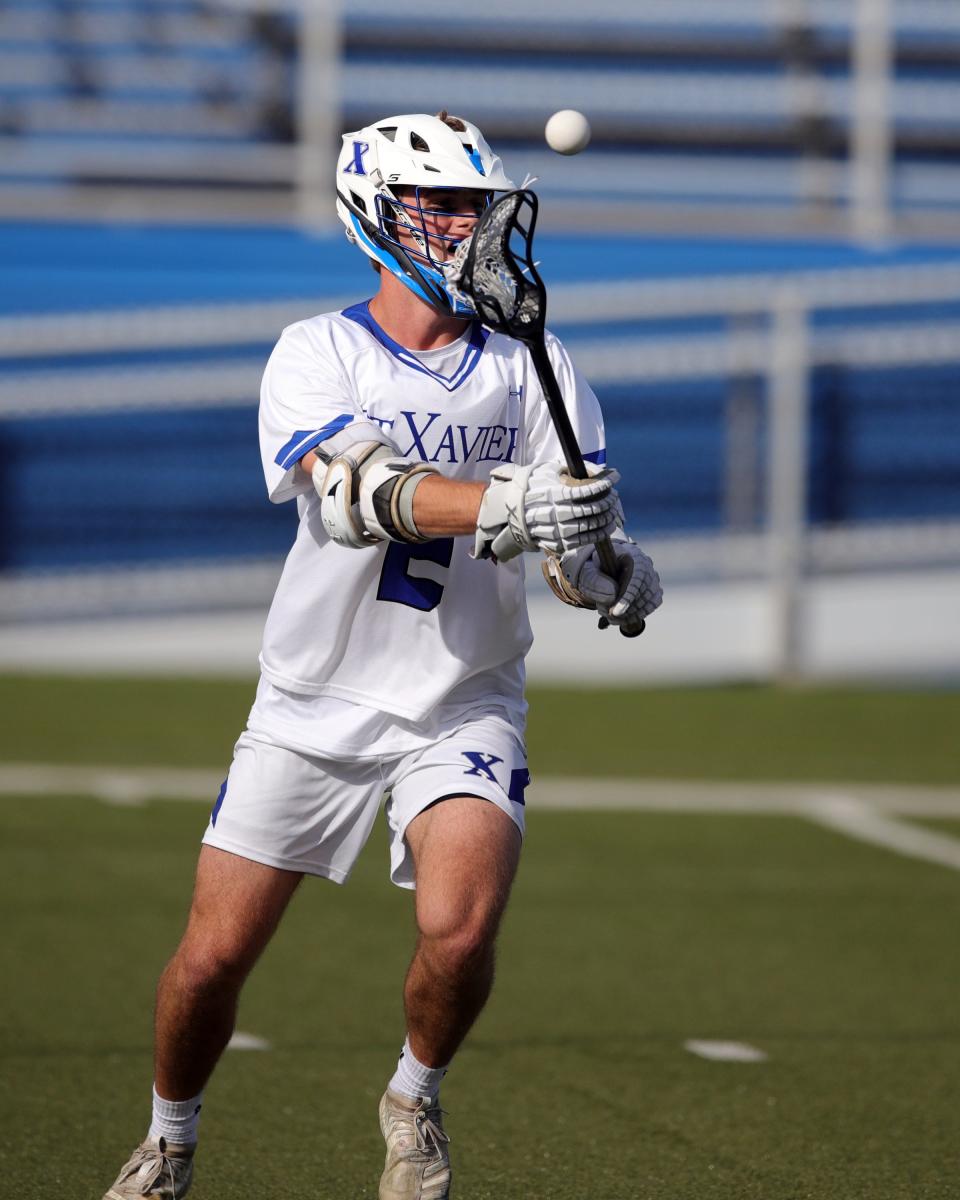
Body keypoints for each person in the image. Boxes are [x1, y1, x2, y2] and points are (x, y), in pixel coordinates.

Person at [102, 110, 662, 1200]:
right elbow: (359, 499)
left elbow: (573, 546)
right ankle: (169, 1136)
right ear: (377, 214)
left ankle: (413, 1095)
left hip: (464, 698)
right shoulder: (317, 351)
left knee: (459, 932)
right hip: (315, 698)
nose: (467, 226)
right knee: (212, 961)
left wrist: (605, 570)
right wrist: (511, 502)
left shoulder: (537, 365)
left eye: (475, 205)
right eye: (444, 204)